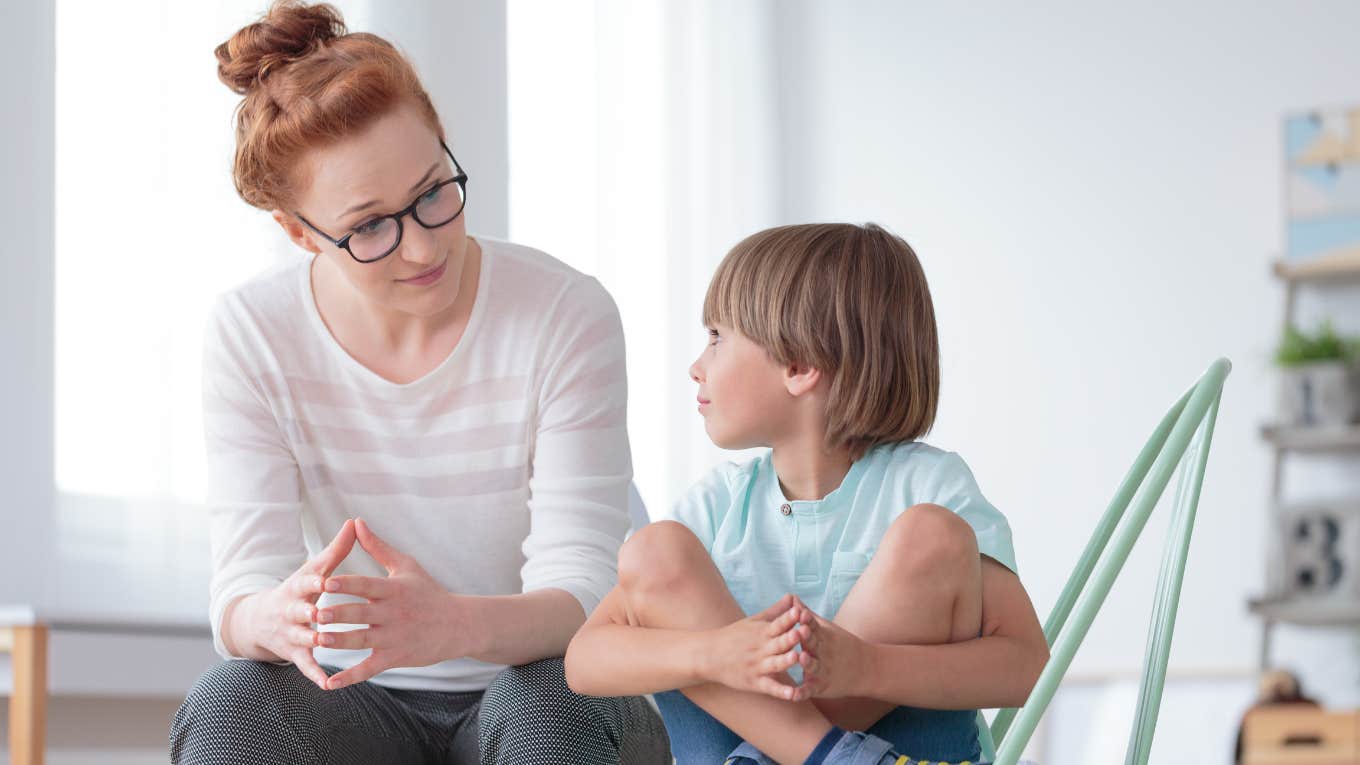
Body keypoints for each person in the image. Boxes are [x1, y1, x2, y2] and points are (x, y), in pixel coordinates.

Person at [169, 2, 669, 763]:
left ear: (444, 144)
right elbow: (241, 593)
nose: (425, 245)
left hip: (538, 685)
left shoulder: (565, 312)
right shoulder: (252, 332)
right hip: (355, 703)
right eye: (370, 227)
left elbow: (586, 599)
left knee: (548, 696)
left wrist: (452, 626)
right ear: (300, 233)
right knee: (233, 698)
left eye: (435, 190)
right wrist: (273, 615)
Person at [564, 223, 1050, 765]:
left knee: (930, 534)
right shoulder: (716, 507)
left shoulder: (928, 488)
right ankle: (828, 754)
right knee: (654, 550)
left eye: (718, 337)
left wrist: (865, 665)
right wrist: (715, 653)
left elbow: (1024, 664)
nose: (696, 366)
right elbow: (584, 660)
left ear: (798, 367)